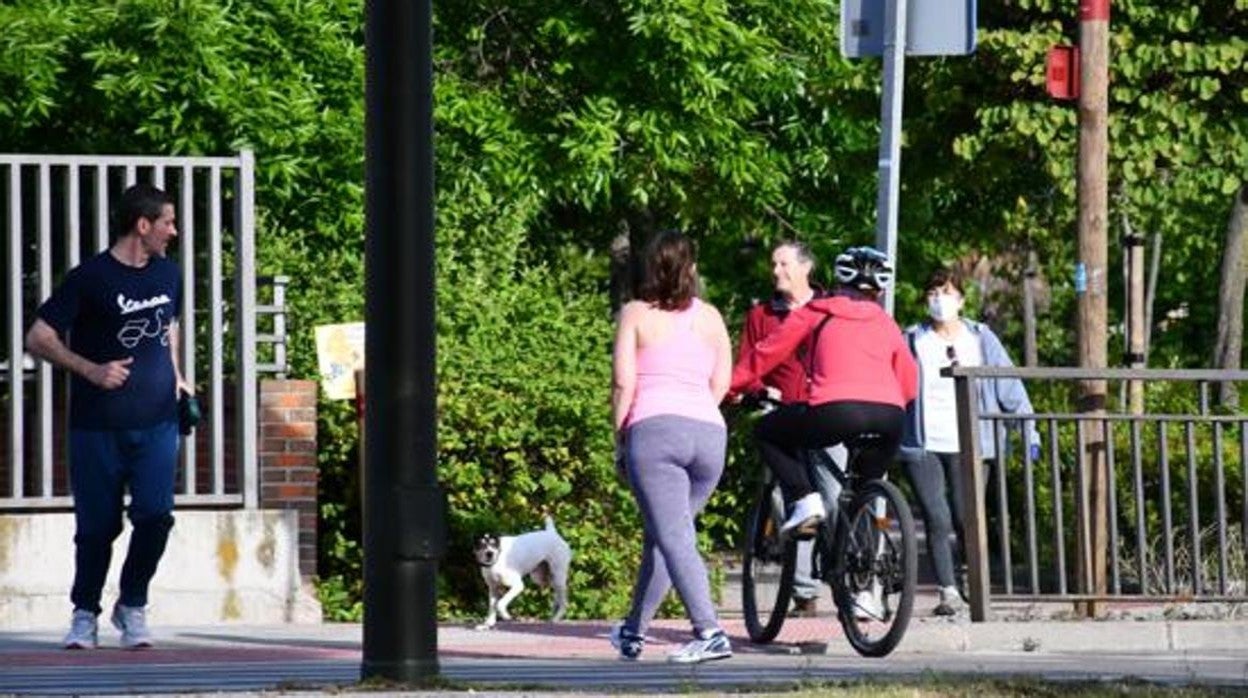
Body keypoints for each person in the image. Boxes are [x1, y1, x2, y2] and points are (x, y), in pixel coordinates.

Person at [25, 183, 189, 650]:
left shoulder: (169, 275)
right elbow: (38, 336)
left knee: (156, 516)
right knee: (97, 528)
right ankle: (84, 614)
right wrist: (90, 369)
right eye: (167, 223)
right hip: (97, 426)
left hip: (158, 421)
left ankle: (132, 604)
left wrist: (177, 377)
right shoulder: (90, 278)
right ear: (143, 225)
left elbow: (167, 330)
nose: (172, 232)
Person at [609, 230, 734, 664]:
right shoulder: (712, 317)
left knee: (675, 536)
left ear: (650, 270)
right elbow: (722, 381)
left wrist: (620, 434)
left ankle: (710, 631)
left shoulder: (635, 314)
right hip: (709, 434)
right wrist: (694, 411)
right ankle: (632, 631)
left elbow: (625, 381)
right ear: (691, 269)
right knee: (665, 538)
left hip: (655, 432)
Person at [730, 246, 918, 535]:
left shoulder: (816, 311)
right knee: (859, 495)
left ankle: (805, 500)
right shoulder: (887, 323)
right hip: (890, 418)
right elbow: (909, 379)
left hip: (835, 411)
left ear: (837, 285)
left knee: (767, 432)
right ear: (878, 293)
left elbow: (765, 354)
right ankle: (855, 559)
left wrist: (727, 387)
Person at [899, 267, 1040, 616]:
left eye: (946, 292)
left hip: (974, 443)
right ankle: (948, 592)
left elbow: (1008, 385)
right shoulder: (913, 339)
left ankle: (974, 588)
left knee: (966, 518)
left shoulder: (980, 338)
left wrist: (1028, 429)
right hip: (924, 442)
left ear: (961, 299)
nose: (939, 300)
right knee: (937, 517)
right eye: (933, 292)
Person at [735, 241, 846, 618]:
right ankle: (803, 592)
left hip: (828, 411)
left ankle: (849, 576)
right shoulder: (761, 315)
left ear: (805, 267)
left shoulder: (830, 309)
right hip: (785, 412)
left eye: (783, 263)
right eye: (773, 264)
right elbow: (749, 362)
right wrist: (754, 390)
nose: (776, 271)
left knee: (833, 497)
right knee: (792, 503)